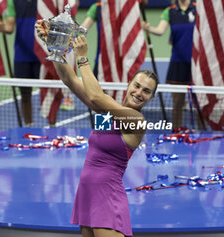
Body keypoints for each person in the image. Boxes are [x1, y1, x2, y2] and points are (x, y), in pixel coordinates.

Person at [36, 19, 159, 237]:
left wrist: (82, 57)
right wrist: (52, 45)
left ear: (151, 98)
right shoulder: (106, 113)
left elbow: (95, 96)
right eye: (137, 85)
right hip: (87, 193)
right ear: (128, 84)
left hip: (107, 197)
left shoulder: (136, 121)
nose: (139, 92)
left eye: (146, 91)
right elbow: (70, 79)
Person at [141, 0, 196, 129]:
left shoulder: (197, 9)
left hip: (196, 64)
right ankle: (176, 131)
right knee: (178, 103)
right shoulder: (170, 11)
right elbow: (160, 30)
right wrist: (149, 28)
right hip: (178, 63)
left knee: (199, 103)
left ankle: (201, 133)